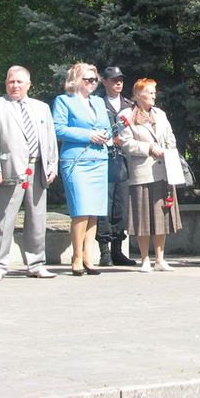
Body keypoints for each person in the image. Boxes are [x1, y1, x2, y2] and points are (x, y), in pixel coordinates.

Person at [0, 66, 59, 281]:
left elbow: (49, 138)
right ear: (6, 83)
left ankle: (36, 263)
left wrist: (52, 165)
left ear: (28, 84)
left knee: (37, 217)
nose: (15, 85)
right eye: (11, 82)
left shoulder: (41, 108)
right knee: (3, 217)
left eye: (19, 82)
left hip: (37, 168)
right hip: (8, 169)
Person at [52, 63, 112, 275]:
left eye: (95, 80)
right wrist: (87, 135)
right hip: (76, 161)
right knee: (80, 210)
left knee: (94, 211)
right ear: (76, 80)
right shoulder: (64, 101)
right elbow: (58, 128)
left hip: (99, 160)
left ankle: (89, 257)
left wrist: (107, 136)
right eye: (88, 80)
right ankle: (76, 256)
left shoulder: (97, 101)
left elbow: (106, 126)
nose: (93, 83)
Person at [118, 78, 182, 272]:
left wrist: (169, 149)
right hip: (142, 172)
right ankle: (145, 259)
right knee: (142, 218)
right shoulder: (126, 116)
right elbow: (125, 142)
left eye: (155, 92)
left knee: (161, 216)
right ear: (137, 95)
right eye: (149, 92)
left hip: (164, 171)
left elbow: (170, 137)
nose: (154, 95)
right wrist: (149, 148)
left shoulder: (160, 114)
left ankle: (160, 259)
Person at [96, 65, 136, 267]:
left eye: (120, 79)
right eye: (113, 79)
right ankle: (104, 251)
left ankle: (118, 250)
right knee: (104, 204)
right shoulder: (97, 104)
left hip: (123, 159)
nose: (118, 82)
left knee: (121, 205)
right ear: (104, 81)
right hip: (103, 158)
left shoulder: (129, 105)